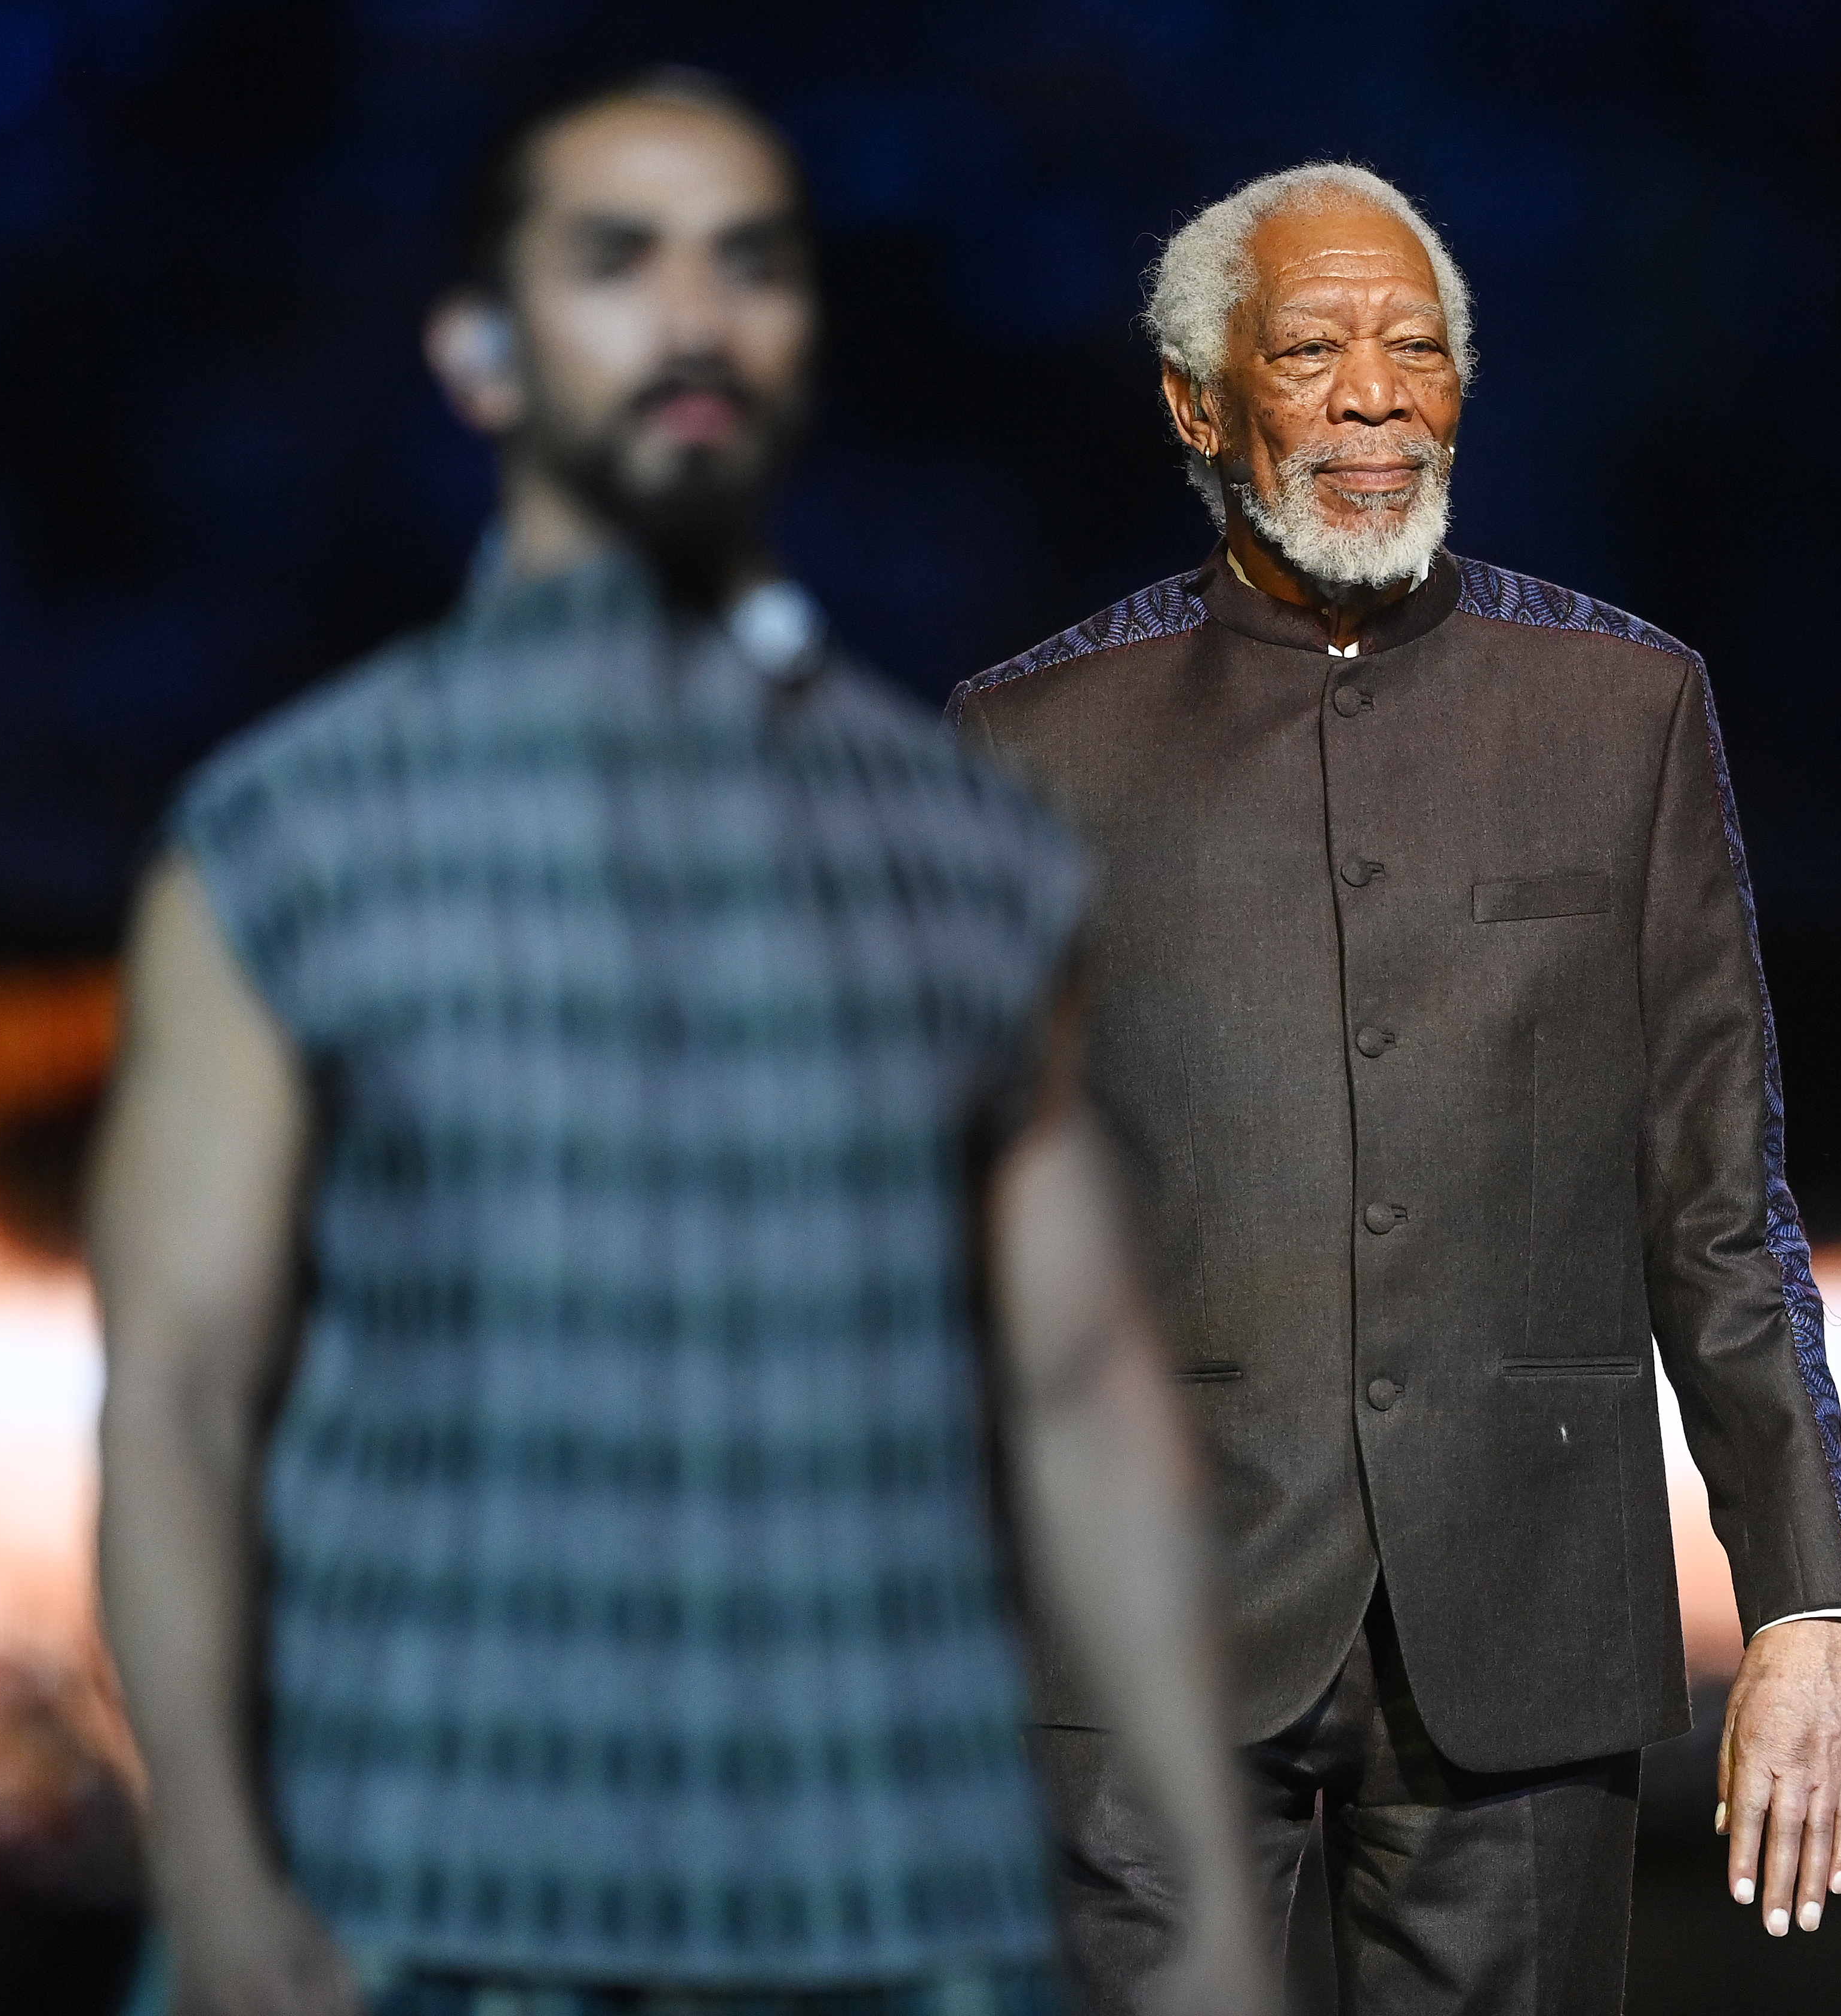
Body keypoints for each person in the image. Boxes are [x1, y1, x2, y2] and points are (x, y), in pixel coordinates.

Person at [91, 71, 1268, 2016]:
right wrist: (213, 1881)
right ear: (481, 351)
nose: (695, 319)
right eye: (616, 262)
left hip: (902, 1913)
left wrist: (1210, 1901)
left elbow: (1078, 1392)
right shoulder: (289, 838)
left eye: (752, 265)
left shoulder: (964, 856)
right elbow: (178, 1397)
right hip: (429, 1902)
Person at [949, 162, 1841, 2014]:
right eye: (1312, 351)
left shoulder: (1620, 712)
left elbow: (1715, 1197)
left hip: (1522, 1610)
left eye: (1418, 348)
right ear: (1196, 404)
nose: (1376, 394)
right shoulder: (1029, 749)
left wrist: (1805, 1599)